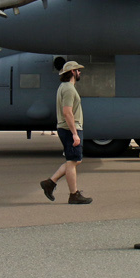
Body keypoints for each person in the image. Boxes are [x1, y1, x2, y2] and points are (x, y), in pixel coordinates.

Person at [41, 61, 92, 204]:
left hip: (67, 128)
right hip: (69, 128)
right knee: (72, 161)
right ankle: (73, 194)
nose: (79, 72)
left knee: (75, 160)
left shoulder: (63, 87)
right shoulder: (69, 89)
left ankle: (50, 183)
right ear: (72, 72)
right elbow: (67, 112)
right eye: (77, 70)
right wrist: (74, 133)